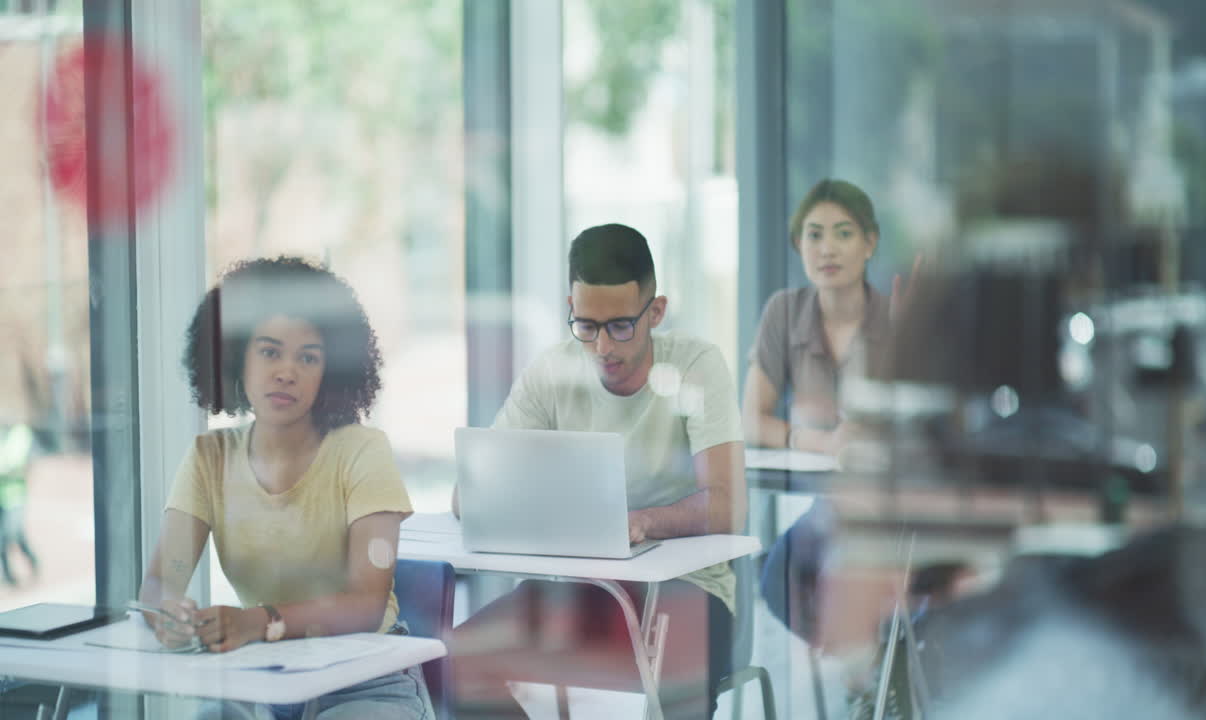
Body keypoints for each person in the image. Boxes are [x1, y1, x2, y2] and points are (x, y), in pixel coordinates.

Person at [448, 223, 746, 719]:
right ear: (571, 308)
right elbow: (468, 496)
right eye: (586, 326)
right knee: (456, 661)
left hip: (688, 595)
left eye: (620, 326)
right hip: (579, 596)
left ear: (656, 311)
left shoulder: (697, 366)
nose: (603, 347)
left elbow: (729, 504)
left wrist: (642, 521)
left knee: (676, 683)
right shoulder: (552, 372)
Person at [137, 257, 433, 720]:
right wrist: (168, 616)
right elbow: (158, 583)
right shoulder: (208, 457)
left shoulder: (363, 451)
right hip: (262, 680)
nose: (286, 371)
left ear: (331, 371)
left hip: (366, 681)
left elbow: (366, 606)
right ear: (237, 356)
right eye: (270, 351)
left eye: (308, 357)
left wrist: (257, 621)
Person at [747, 179, 898, 644]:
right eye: (813, 234)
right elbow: (750, 420)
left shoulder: (894, 319)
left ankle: (876, 673)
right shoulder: (785, 312)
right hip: (828, 502)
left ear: (870, 242)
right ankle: (861, 671)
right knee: (778, 579)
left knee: (879, 583)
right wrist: (820, 441)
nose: (826, 248)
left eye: (843, 233)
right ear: (798, 245)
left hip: (890, 502)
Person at [0, 421, 38, 586]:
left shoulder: (21, 436)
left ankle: (33, 561)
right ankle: (9, 576)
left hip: (15, 496)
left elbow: (28, 465)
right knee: (4, 537)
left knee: (12, 535)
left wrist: (12, 472)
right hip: (2, 495)